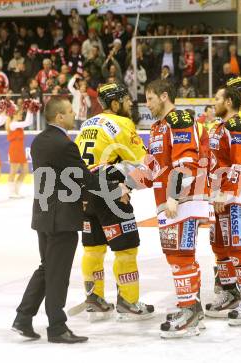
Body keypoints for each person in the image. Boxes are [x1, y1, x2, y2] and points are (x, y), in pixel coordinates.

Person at [12, 97, 126, 343]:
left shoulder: (40, 141)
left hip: (43, 215)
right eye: (70, 111)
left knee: (47, 267)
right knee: (58, 272)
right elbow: (84, 178)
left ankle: (23, 317)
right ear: (59, 116)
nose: (74, 114)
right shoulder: (64, 144)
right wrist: (116, 190)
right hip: (61, 218)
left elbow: (64, 177)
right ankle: (57, 328)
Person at [74, 83, 154, 321]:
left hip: (84, 191)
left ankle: (94, 299)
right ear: (116, 103)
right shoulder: (122, 123)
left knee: (93, 248)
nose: (131, 104)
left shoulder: (87, 124)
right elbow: (146, 164)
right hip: (110, 194)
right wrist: (128, 184)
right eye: (127, 100)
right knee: (126, 249)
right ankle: (129, 302)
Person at [138, 79, 210, 338]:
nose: (147, 104)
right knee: (178, 255)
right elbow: (151, 166)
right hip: (170, 201)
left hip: (183, 201)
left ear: (164, 95)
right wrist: (126, 186)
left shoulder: (179, 119)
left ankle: (188, 311)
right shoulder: (158, 127)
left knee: (180, 257)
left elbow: (187, 162)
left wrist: (173, 196)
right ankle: (193, 309)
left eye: (149, 98)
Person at [204, 86, 241, 325]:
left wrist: (227, 193)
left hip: (236, 196)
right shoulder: (220, 126)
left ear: (228, 101)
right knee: (219, 245)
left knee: (238, 247)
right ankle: (230, 292)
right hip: (219, 197)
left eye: (217, 98)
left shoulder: (238, 125)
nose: (213, 101)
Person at [6, 99, 39, 198]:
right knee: (13, 171)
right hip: (15, 150)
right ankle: (11, 192)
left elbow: (28, 122)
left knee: (25, 171)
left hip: (20, 150)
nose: (21, 115)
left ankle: (16, 190)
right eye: (20, 114)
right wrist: (30, 109)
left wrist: (31, 110)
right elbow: (27, 123)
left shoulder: (18, 125)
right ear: (14, 115)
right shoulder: (13, 124)